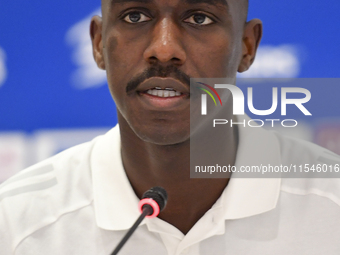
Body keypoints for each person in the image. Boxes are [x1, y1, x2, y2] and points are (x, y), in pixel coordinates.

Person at [1, 0, 340, 254]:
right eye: (135, 16)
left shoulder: (332, 206)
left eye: (199, 17)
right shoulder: (17, 224)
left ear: (246, 47)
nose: (164, 50)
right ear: (99, 43)